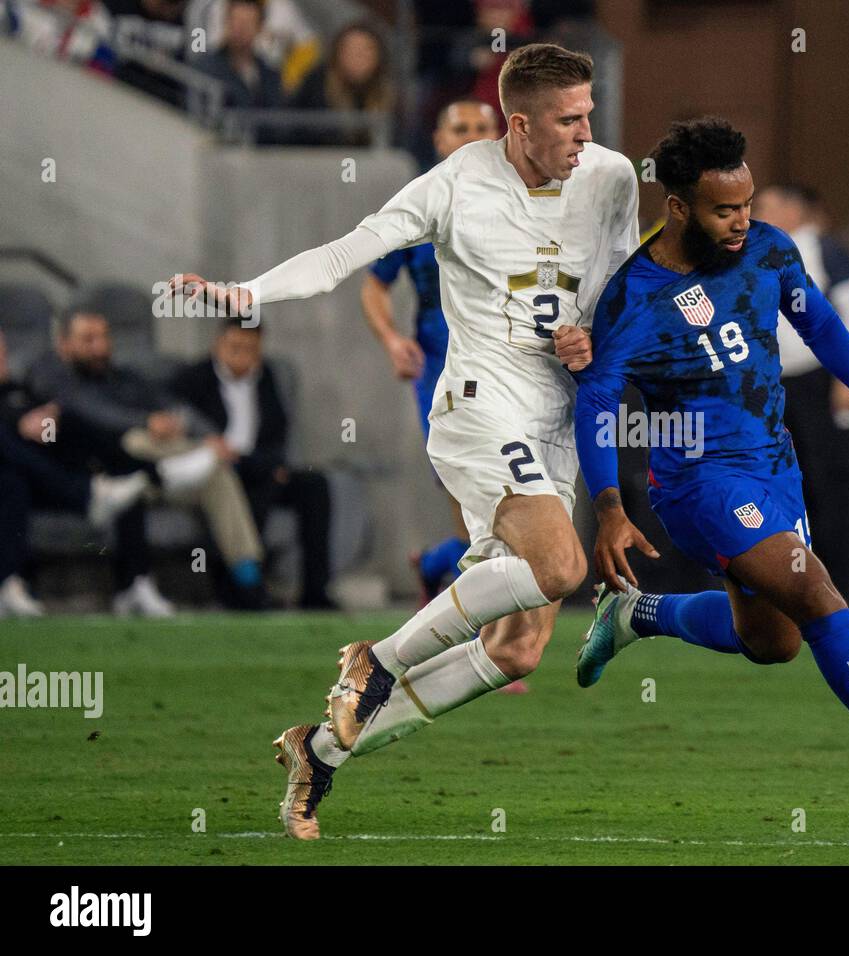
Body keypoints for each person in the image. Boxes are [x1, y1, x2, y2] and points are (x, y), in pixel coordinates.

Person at [170, 42, 639, 839]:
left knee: (520, 650)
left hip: (557, 420)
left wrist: (597, 337)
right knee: (559, 566)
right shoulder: (456, 183)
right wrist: (248, 291)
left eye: (589, 114)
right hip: (479, 404)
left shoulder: (612, 176)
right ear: (519, 125)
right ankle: (376, 661)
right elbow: (346, 254)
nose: (584, 133)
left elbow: (622, 283)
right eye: (568, 120)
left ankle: (318, 751)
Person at [571, 118, 849, 828]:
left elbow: (820, 325)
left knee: (775, 642)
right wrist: (609, 506)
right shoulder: (634, 296)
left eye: (747, 203)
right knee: (819, 596)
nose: (741, 221)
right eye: (722, 209)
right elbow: (599, 398)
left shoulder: (767, 250)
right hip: (699, 483)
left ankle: (637, 614)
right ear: (677, 208)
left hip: (774, 468)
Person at [26, 309, 271, 613]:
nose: (100, 347)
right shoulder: (50, 375)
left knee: (216, 474)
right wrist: (147, 421)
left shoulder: (124, 378)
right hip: (90, 477)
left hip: (144, 477)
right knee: (134, 441)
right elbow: (88, 412)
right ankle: (177, 465)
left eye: (104, 337)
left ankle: (250, 583)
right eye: (88, 339)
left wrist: (208, 436)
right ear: (63, 344)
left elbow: (174, 406)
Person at [360, 99, 499, 600]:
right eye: (460, 128)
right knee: (470, 492)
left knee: (507, 498)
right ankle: (479, 637)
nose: (472, 137)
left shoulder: (528, 202)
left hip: (512, 366)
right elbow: (374, 286)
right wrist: (393, 340)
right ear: (439, 141)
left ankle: (438, 561)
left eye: (483, 128)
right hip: (442, 369)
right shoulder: (417, 206)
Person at [753, 182, 849, 594]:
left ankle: (835, 580)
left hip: (813, 382)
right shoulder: (754, 251)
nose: (756, 213)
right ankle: (775, 577)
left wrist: (848, 379)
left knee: (822, 480)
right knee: (766, 481)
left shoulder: (827, 252)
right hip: (765, 386)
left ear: (794, 211)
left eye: (766, 206)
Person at [170, 319, 336, 609]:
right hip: (218, 470)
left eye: (250, 349)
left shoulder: (268, 378)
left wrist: (270, 465)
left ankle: (315, 593)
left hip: (260, 465)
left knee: (314, 484)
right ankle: (241, 592)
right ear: (218, 344)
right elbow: (177, 427)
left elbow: (278, 435)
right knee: (254, 488)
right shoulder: (192, 379)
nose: (242, 356)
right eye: (235, 347)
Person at [0, 328, 150, 616]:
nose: (4, 359)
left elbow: (34, 425)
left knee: (67, 422)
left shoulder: (18, 390)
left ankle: (135, 583)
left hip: (36, 484)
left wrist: (39, 420)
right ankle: (90, 492)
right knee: (10, 475)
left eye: (5, 353)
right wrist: (18, 424)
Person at [289, 21, 394, 147]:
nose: (358, 57)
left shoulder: (387, 95)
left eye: (366, 50)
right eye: (351, 50)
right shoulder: (316, 88)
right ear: (337, 54)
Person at [194, 0, 285, 114]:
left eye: (246, 24)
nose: (239, 30)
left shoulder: (270, 75)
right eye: (234, 22)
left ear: (259, 28)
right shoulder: (206, 68)